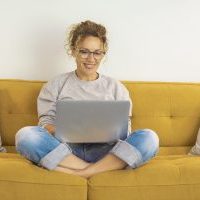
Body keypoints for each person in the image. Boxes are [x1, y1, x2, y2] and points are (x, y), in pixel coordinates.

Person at [15, 20, 159, 178]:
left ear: (103, 53)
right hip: (67, 151)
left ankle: (80, 172)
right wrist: (70, 131)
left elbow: (126, 130)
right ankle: (99, 171)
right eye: (84, 51)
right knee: (25, 135)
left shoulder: (116, 87)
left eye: (97, 52)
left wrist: (107, 132)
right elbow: (45, 125)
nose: (91, 59)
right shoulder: (56, 85)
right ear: (73, 51)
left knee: (150, 137)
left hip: (107, 152)